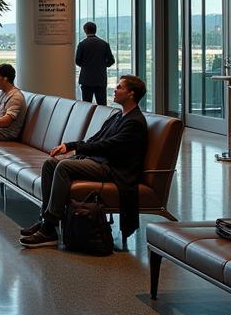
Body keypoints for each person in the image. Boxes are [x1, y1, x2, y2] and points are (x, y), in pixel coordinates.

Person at [20, 74, 148, 248]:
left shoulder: (134, 122)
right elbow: (96, 139)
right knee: (50, 163)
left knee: (64, 165)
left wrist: (75, 148)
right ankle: (46, 220)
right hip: (101, 161)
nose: (115, 90)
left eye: (119, 87)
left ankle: (49, 228)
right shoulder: (118, 116)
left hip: (113, 168)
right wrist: (71, 146)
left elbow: (109, 146)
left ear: (131, 94)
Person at [76, 22, 115, 105]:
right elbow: (111, 61)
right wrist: (103, 65)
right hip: (100, 79)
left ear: (85, 30)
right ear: (95, 30)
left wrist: (85, 66)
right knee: (102, 105)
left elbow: (77, 61)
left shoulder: (82, 44)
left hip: (86, 79)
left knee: (86, 105)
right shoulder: (104, 44)